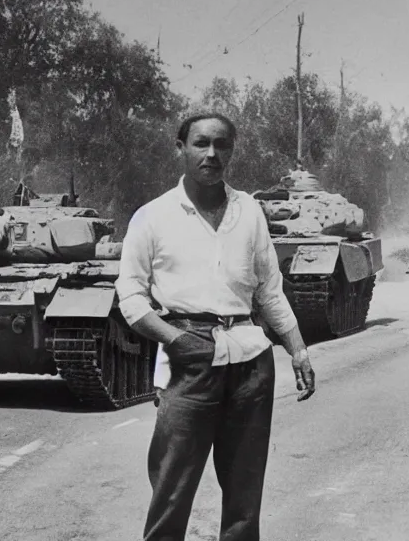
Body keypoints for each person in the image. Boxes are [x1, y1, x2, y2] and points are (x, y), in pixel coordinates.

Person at [114, 113, 316, 541]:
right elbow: (130, 298)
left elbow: (269, 291)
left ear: (231, 151)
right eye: (201, 144)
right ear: (180, 149)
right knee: (171, 491)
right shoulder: (152, 217)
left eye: (221, 145)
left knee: (244, 499)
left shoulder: (249, 212)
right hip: (189, 361)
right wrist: (176, 340)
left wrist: (298, 349)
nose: (211, 154)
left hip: (251, 364)